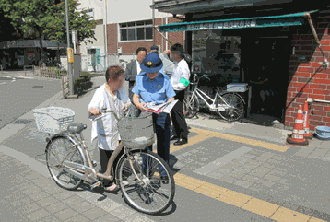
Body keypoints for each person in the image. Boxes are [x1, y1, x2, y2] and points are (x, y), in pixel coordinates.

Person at [132, 53, 176, 181]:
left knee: (163, 145)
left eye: (153, 72)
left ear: (158, 69)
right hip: (145, 114)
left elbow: (171, 97)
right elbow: (135, 96)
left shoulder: (165, 79)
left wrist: (167, 106)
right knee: (145, 145)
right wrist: (139, 105)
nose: (150, 74)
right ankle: (146, 171)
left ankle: (164, 172)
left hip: (161, 114)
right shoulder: (140, 78)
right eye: (148, 72)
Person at [88, 65, 131, 192]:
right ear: (111, 80)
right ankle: (106, 183)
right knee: (106, 155)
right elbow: (92, 106)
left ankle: (117, 177)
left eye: (122, 80)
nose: (122, 83)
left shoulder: (120, 89)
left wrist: (126, 105)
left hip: (118, 127)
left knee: (119, 152)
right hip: (106, 129)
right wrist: (94, 110)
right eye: (120, 81)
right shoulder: (101, 92)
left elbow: (127, 101)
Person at [166, 43, 190, 146]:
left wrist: (172, 87)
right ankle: (176, 133)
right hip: (173, 92)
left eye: (172, 53)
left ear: (177, 54)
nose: (171, 55)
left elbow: (184, 83)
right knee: (174, 115)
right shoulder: (176, 64)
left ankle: (183, 137)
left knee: (179, 115)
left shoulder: (183, 66)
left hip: (178, 93)